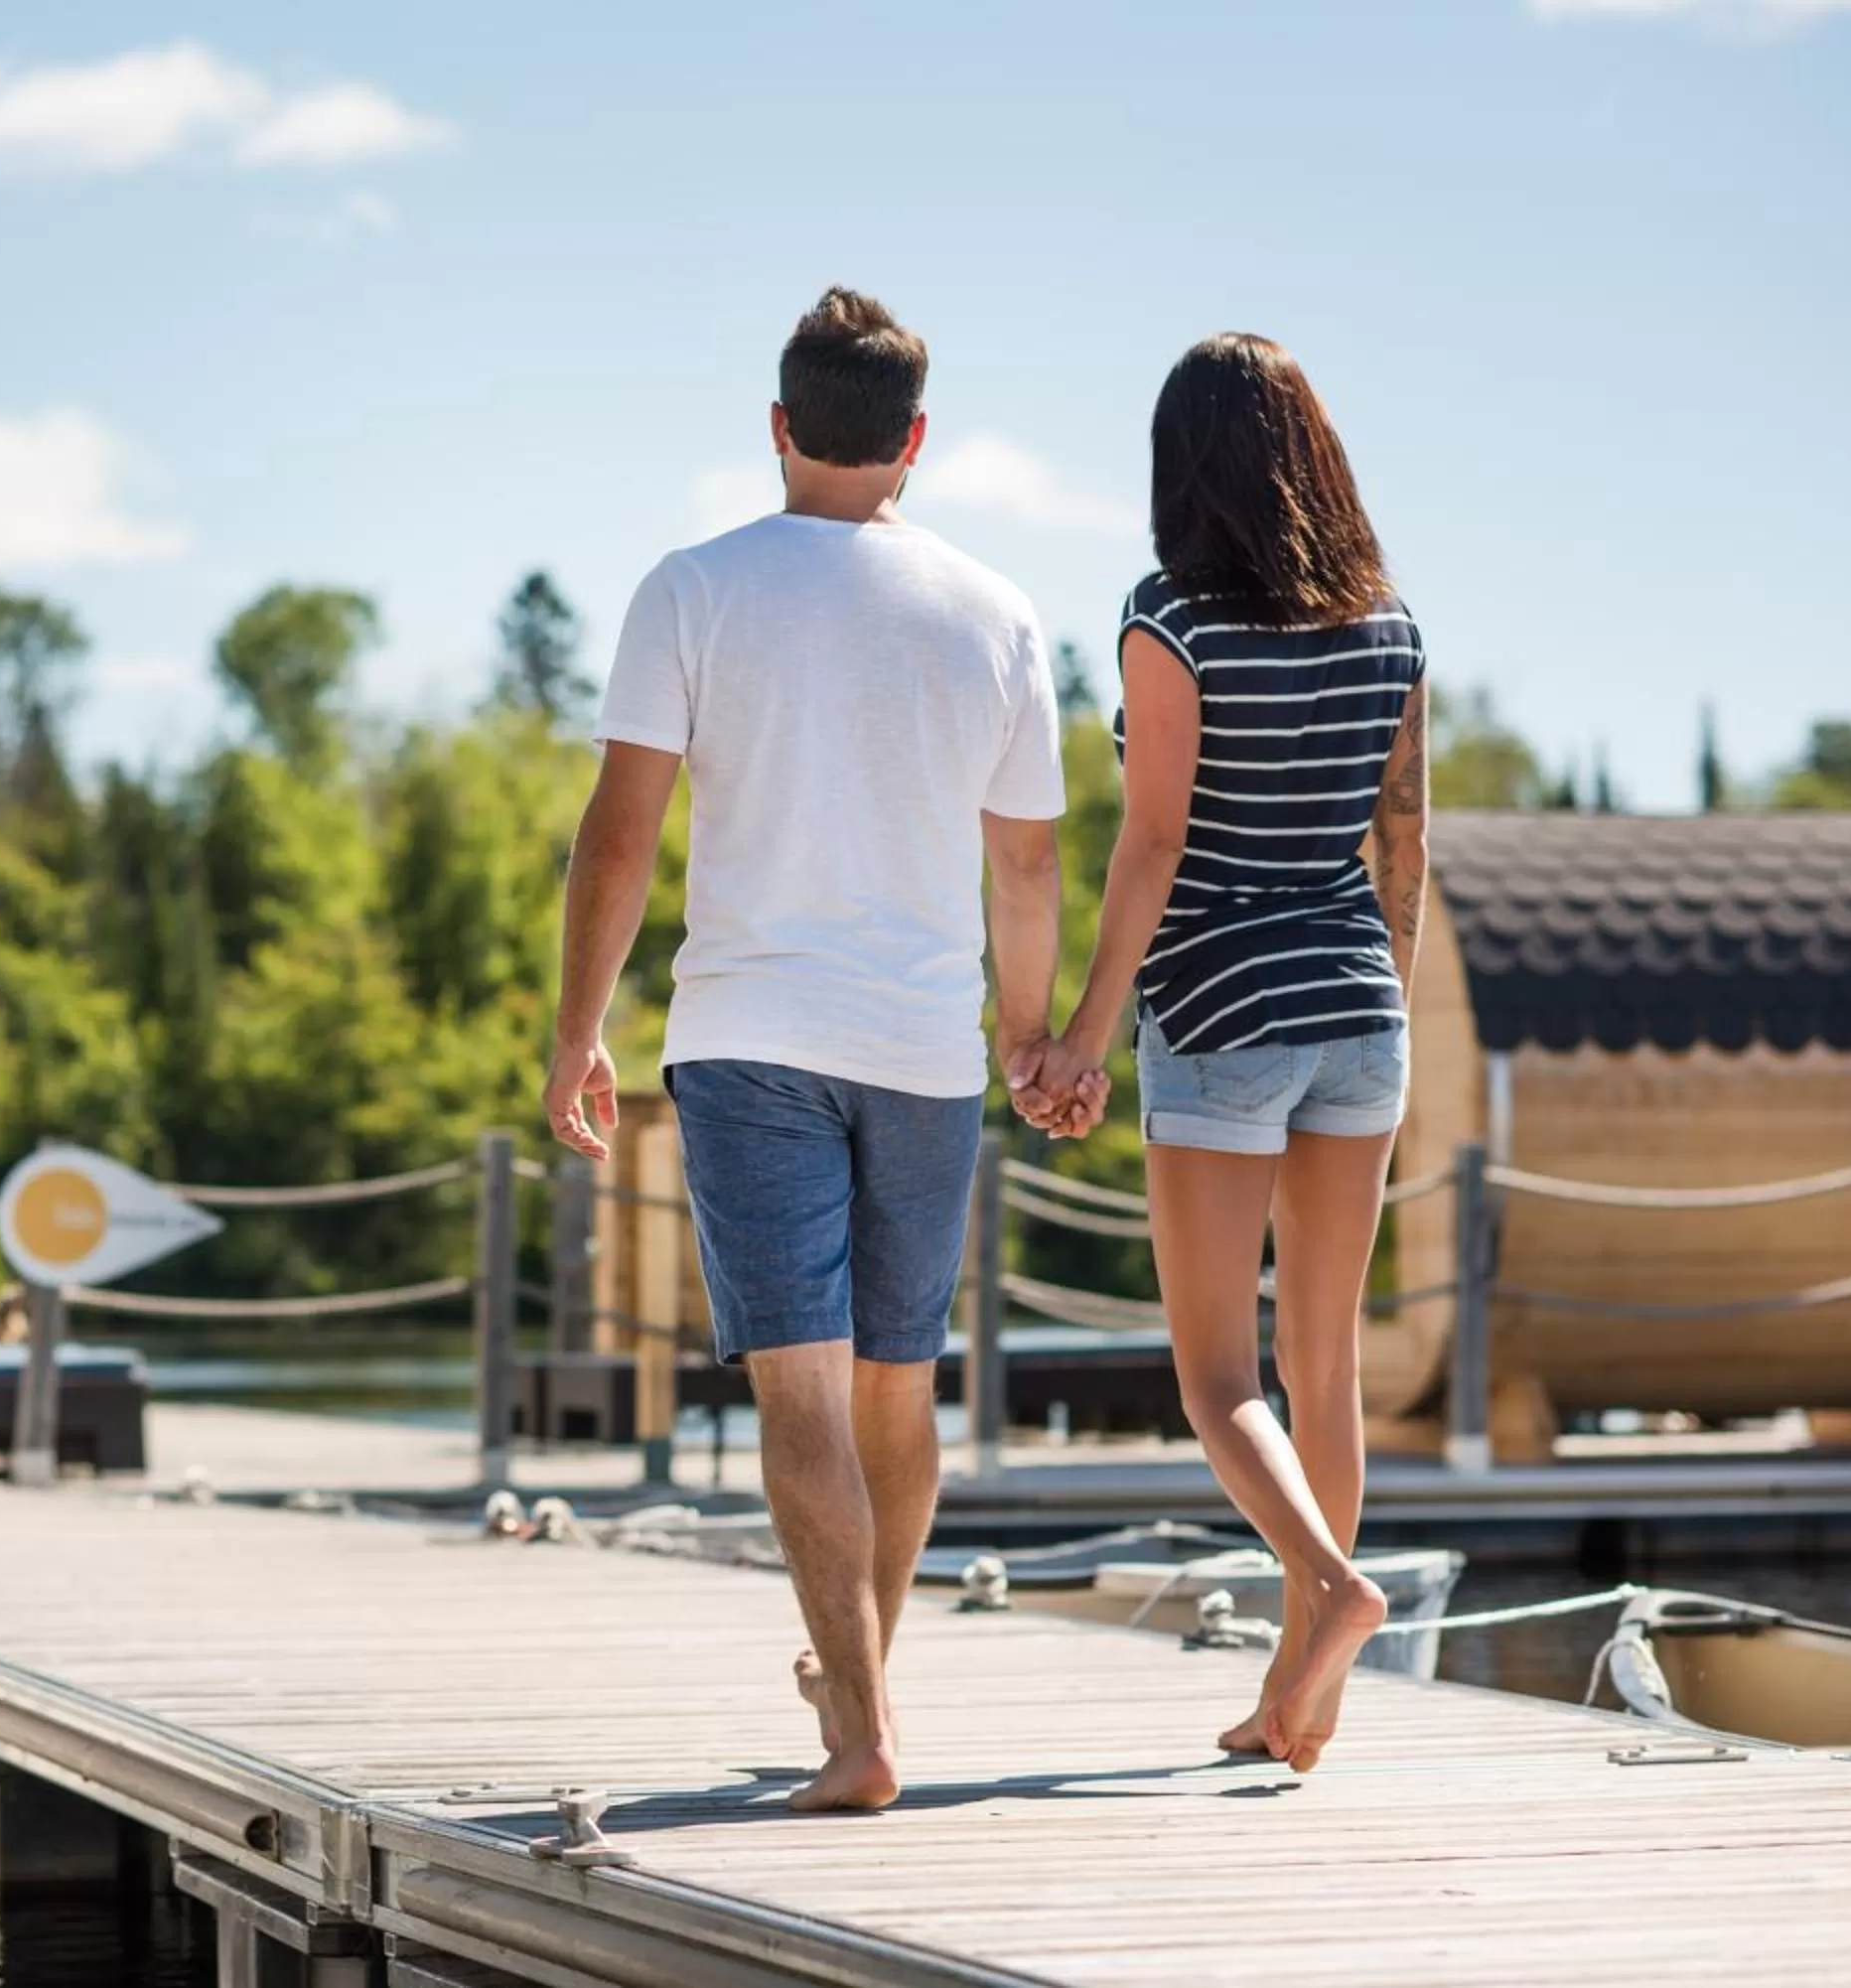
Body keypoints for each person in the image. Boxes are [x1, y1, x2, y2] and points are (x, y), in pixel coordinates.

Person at [544, 286, 1088, 1813]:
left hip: (749, 1036)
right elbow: (1031, 867)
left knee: (800, 1392)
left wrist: (579, 1030)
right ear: (915, 440)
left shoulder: (692, 587)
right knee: (898, 1393)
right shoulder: (996, 611)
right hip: (924, 1046)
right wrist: (1033, 1032)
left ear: (779, 428)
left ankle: (857, 1728)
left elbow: (621, 832)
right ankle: (864, 1690)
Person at [1025, 333, 1431, 1774]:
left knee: (1214, 1374)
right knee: (1320, 1365)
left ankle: (1330, 1593)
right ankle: (1299, 1703)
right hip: (1360, 1014)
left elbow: (1151, 841)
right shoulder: (1390, 623)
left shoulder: (1169, 619)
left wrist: (1079, 1032)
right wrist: (1390, 1000)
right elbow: (1403, 842)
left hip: (1219, 1014)